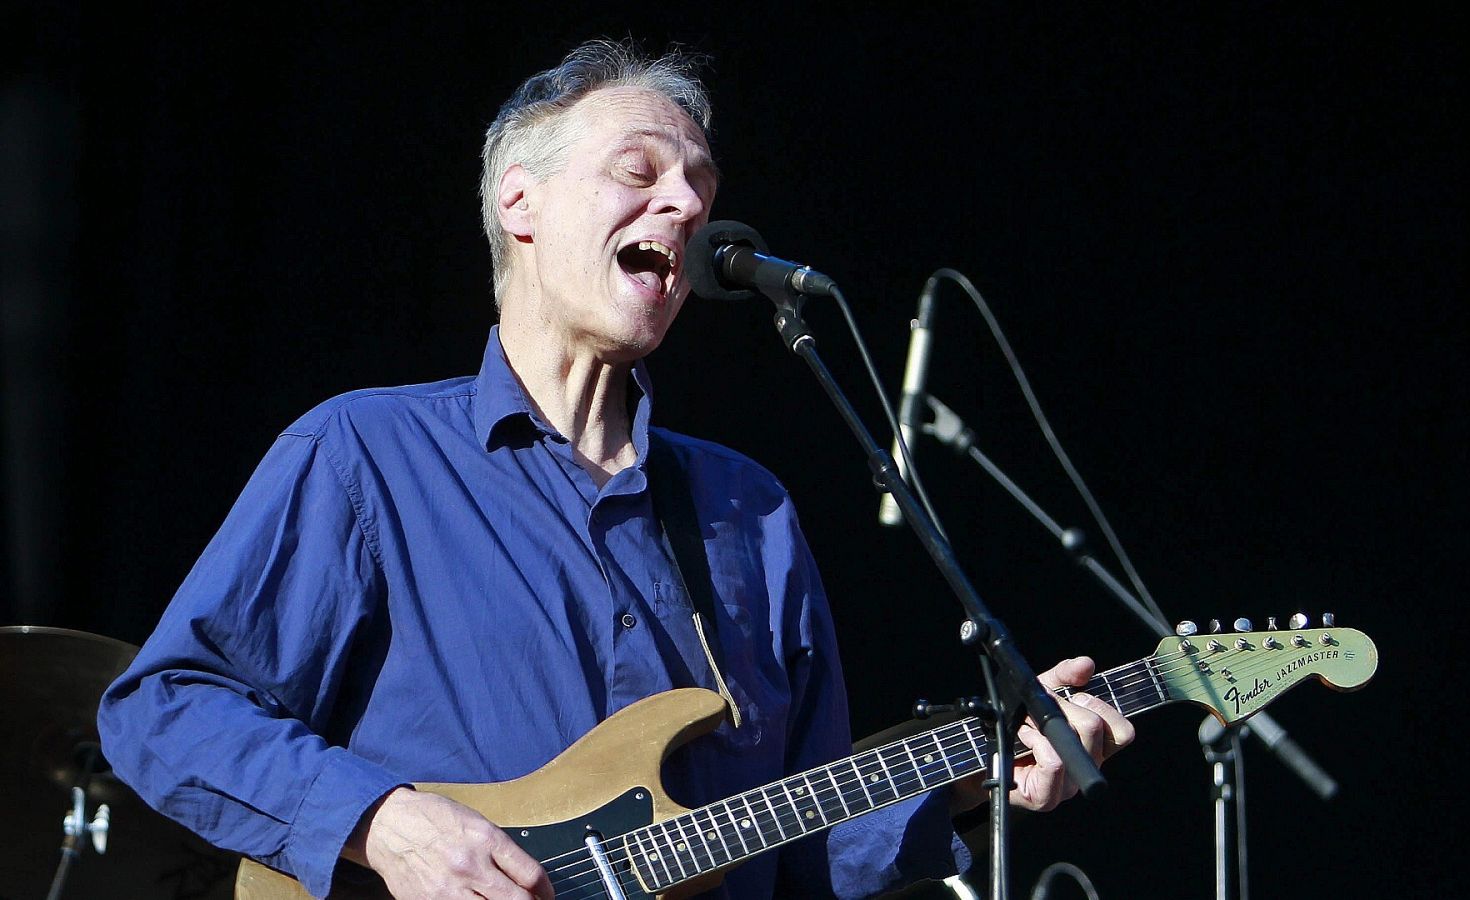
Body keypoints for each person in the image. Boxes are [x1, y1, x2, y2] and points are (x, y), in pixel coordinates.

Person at [97, 39, 1134, 899]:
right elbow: (163, 706)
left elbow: (793, 853)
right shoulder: (366, 456)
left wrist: (967, 778)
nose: (685, 206)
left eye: (700, 186)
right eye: (640, 174)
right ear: (521, 205)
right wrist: (382, 823)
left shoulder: (748, 510)